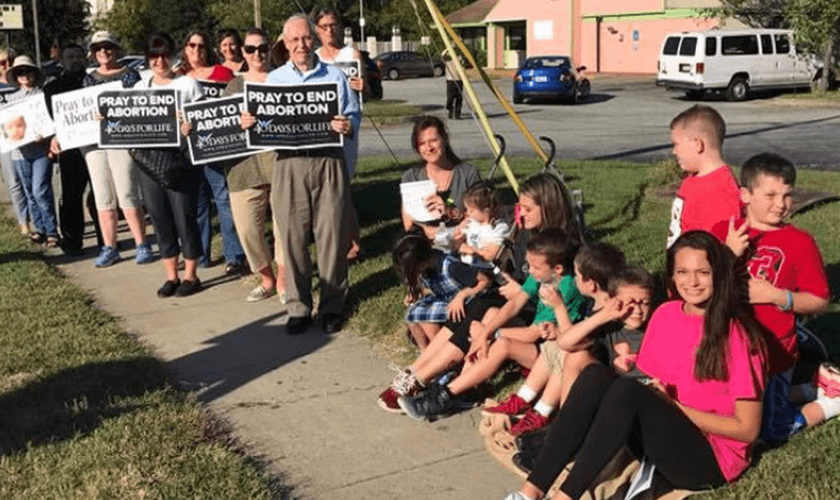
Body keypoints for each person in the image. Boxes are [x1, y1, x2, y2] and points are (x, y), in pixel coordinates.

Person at [505, 231, 767, 500]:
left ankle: (565, 497)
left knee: (627, 392)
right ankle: (530, 492)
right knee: (596, 374)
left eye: (703, 272)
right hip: (665, 432)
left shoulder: (737, 336)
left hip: (710, 460)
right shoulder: (666, 314)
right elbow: (647, 376)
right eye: (682, 272)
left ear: (719, 274)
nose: (692, 282)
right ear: (672, 277)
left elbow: (747, 429)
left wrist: (676, 408)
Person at [378, 173, 582, 412]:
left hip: (537, 313)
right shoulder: (528, 232)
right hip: (515, 296)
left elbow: (564, 295)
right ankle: (417, 372)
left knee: (482, 310)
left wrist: (497, 320)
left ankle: (432, 381)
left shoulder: (565, 250)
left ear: (547, 208)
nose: (520, 214)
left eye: (527, 208)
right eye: (520, 207)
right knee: (479, 305)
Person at [241, 14, 360, 334]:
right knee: (292, 236)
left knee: (332, 236)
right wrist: (251, 125)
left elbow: (353, 115)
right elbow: (264, 124)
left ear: (314, 38)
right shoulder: (275, 80)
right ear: (284, 43)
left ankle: (333, 305)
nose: (301, 45)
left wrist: (348, 125)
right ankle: (298, 305)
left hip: (328, 161)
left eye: (306, 38)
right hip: (288, 165)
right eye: (294, 40)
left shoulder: (335, 76)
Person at [397, 229, 588, 421]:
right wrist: (485, 333)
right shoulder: (541, 275)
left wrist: (492, 334)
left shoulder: (564, 289)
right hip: (543, 344)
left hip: (553, 355)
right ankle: (462, 386)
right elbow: (514, 304)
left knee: (502, 344)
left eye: (535, 267)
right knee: (490, 321)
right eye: (529, 264)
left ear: (558, 269)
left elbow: (533, 334)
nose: (529, 270)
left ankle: (445, 396)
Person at [711, 153, 833, 442]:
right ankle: (810, 384)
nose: (781, 204)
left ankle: (832, 401)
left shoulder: (800, 242)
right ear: (745, 195)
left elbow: (819, 301)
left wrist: (778, 296)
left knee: (769, 433)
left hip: (775, 354)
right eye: (770, 195)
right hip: (725, 351)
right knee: (721, 418)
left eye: (787, 195)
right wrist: (727, 254)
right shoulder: (722, 232)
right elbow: (699, 288)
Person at [482, 246, 634, 438]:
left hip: (597, 375)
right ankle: (525, 400)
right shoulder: (596, 304)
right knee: (555, 343)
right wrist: (555, 331)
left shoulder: (607, 312)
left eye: (578, 276)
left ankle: (543, 413)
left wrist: (559, 307)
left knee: (566, 352)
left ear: (591, 285)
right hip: (585, 366)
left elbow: (570, 343)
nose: (575, 279)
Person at [133, 32, 205, 297]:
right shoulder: (140, 89)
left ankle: (191, 275)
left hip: (181, 161)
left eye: (164, 55)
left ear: (173, 55)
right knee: (159, 217)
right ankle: (171, 276)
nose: (160, 61)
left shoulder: (188, 85)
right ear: (148, 58)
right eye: (154, 55)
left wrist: (191, 126)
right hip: (149, 163)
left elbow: (205, 121)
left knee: (184, 216)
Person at [218, 28, 286, 302]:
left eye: (262, 48)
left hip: (282, 164)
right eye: (250, 49)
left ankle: (282, 281)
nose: (257, 54)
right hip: (244, 169)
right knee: (247, 229)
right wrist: (238, 125)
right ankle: (265, 276)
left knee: (284, 227)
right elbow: (220, 130)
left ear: (270, 49)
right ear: (243, 52)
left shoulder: (284, 80)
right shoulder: (233, 87)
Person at [178, 30, 246, 275]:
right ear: (185, 49)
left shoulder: (223, 74)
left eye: (201, 46)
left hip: (217, 150)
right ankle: (200, 254)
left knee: (224, 200)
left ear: (208, 50)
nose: (196, 50)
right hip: (188, 152)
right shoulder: (178, 78)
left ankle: (234, 255)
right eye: (192, 45)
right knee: (197, 205)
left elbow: (237, 105)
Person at [82, 31, 152, 267]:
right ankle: (110, 247)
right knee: (103, 198)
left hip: (122, 141)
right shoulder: (87, 78)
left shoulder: (130, 75)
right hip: (94, 145)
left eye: (108, 47)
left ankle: (142, 244)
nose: (103, 51)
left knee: (128, 194)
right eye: (98, 48)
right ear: (93, 53)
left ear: (116, 49)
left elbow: (138, 103)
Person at [45, 43, 103, 255]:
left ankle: (106, 239)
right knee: (71, 196)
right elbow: (47, 122)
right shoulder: (52, 88)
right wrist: (52, 139)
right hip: (70, 150)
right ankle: (71, 240)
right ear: (61, 60)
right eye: (70, 56)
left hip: (97, 146)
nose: (76, 60)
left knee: (100, 194)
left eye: (79, 56)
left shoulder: (95, 84)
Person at [394, 233, 490, 351]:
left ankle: (439, 352)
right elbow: (435, 288)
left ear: (422, 263)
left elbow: (485, 281)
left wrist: (462, 295)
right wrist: (419, 293)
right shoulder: (428, 269)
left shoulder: (452, 267)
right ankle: (425, 353)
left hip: (466, 303)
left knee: (423, 316)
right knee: (412, 317)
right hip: (446, 300)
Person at [666, 104, 741, 248]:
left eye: (676, 144)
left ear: (697, 144)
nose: (674, 151)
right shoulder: (693, 178)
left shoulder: (721, 191)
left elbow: (718, 249)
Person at [6, 56, 59, 247]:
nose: (24, 75)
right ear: (15, 77)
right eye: (20, 72)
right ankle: (41, 230)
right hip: (19, 153)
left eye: (27, 71)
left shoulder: (44, 95)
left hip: (41, 151)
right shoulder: (10, 100)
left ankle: (52, 231)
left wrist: (46, 136)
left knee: (40, 190)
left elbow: (52, 122)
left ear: (34, 73)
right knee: (30, 193)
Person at [401, 115, 480, 243]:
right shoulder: (411, 178)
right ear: (417, 148)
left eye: (434, 140)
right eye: (422, 143)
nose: (428, 147)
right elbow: (409, 226)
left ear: (444, 139)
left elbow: (478, 218)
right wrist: (451, 230)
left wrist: (449, 211)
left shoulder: (467, 174)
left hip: (461, 244)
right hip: (423, 247)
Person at [0, 46, 28, 236]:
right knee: (14, 182)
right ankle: (23, 222)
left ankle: (42, 221)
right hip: (5, 139)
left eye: (11, 60)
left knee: (32, 183)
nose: (7, 65)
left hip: (27, 137)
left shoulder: (22, 82)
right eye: (3, 62)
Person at [453, 181, 509, 268]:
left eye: (471, 210)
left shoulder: (498, 228)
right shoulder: (473, 222)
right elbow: (458, 238)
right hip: (466, 265)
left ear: (486, 210)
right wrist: (459, 236)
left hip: (485, 269)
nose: (467, 213)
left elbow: (491, 255)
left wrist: (470, 250)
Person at [442, 48, 463, 120]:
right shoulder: (447, 60)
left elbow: (465, 59)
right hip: (450, 80)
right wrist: (448, 48)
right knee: (450, 98)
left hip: (459, 80)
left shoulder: (459, 59)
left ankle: (457, 114)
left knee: (459, 98)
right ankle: (449, 110)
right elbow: (442, 55)